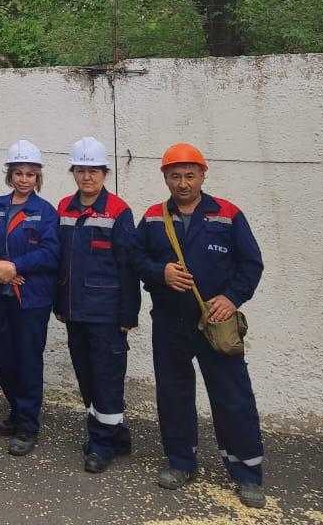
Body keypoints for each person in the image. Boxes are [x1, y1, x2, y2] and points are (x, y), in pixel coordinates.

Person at [134, 142, 266, 509]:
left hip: (216, 323)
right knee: (173, 394)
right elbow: (134, 259)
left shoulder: (228, 214)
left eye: (190, 175)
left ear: (203, 175)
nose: (183, 183)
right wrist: (160, 272)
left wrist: (232, 298)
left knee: (233, 396)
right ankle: (181, 462)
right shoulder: (153, 217)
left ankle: (247, 473)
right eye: (175, 176)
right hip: (169, 322)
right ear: (165, 178)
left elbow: (251, 264)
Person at [56, 136, 140, 474]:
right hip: (75, 312)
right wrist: (60, 304)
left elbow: (129, 266)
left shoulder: (119, 211)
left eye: (93, 171)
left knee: (106, 379)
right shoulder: (64, 208)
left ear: (105, 174)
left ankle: (102, 445)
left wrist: (128, 314)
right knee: (87, 377)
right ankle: (116, 434)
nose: (87, 176)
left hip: (107, 314)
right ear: (74, 173)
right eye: (80, 170)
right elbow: (60, 261)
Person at [0, 140, 59, 456]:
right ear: (10, 175)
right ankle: (15, 412)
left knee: (27, 360)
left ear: (37, 177)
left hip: (31, 299)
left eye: (30, 174)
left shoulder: (45, 212)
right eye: (18, 173)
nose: (24, 179)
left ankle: (28, 425)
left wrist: (15, 267)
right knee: (1, 356)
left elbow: (51, 253)